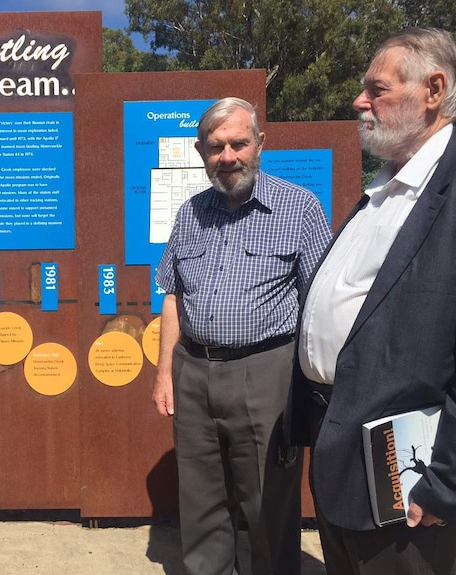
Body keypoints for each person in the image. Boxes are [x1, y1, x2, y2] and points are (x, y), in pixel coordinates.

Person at [286, 27, 456, 574]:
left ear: (433, 90)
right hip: (342, 464)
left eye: (376, 89)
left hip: (411, 489)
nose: (360, 101)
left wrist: (449, 487)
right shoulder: (383, 189)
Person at [154, 97, 332, 575]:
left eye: (238, 143)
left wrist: (316, 386)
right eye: (216, 147)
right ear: (200, 152)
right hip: (192, 369)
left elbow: (321, 305)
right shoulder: (190, 212)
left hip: (267, 372)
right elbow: (172, 294)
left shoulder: (300, 208)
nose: (227, 156)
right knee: (200, 496)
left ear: (260, 145)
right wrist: (164, 374)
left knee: (268, 501)